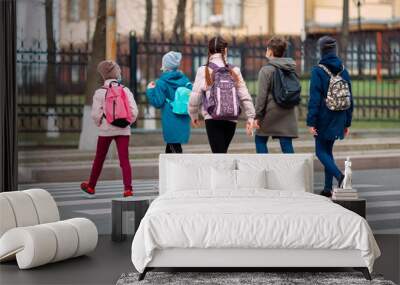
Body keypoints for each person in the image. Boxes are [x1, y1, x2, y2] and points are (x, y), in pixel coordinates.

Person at [81, 60, 138, 197]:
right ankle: (128, 189)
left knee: (99, 158)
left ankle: (91, 186)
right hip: (123, 130)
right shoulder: (125, 90)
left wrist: (101, 123)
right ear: (117, 73)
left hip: (105, 130)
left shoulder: (100, 92)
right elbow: (134, 110)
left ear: (102, 75)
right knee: (124, 159)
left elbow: (95, 114)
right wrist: (127, 122)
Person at [189, 36, 255, 153]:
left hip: (212, 117)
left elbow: (195, 96)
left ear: (209, 51)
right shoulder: (234, 70)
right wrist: (250, 117)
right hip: (231, 118)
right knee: (222, 153)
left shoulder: (203, 70)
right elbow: (244, 95)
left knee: (219, 154)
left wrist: (193, 115)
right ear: (225, 50)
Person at [307, 36, 354, 197]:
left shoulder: (317, 71)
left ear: (321, 51)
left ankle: (340, 177)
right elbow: (349, 98)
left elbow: (314, 99)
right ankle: (327, 188)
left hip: (323, 116)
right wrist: (347, 122)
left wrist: (311, 121)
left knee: (320, 151)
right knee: (328, 150)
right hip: (339, 116)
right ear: (334, 51)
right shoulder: (344, 70)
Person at [253, 36, 299, 153]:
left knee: (260, 140)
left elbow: (261, 96)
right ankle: (291, 169)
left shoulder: (266, 70)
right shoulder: (291, 67)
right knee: (286, 142)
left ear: (270, 51)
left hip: (271, 112)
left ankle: (265, 167)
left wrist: (257, 116)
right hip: (288, 110)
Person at [146, 51, 192, 153]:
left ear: (165, 65)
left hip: (170, 117)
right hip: (183, 116)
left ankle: (178, 169)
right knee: (173, 146)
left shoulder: (162, 82)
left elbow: (158, 102)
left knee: (174, 148)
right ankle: (169, 168)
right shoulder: (185, 80)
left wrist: (150, 90)